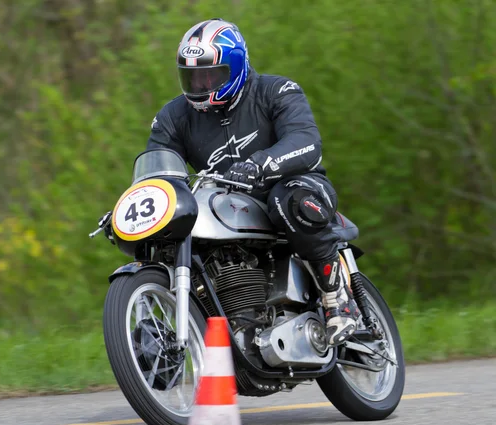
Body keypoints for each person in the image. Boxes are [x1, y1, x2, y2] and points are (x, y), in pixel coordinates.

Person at [104, 18, 360, 346]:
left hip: (296, 187)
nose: (200, 84)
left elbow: (306, 141)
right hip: (228, 205)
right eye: (192, 76)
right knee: (172, 235)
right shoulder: (174, 116)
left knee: (288, 199)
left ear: (235, 67)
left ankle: (336, 297)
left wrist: (259, 164)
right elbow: (158, 169)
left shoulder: (276, 91)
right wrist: (135, 205)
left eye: (210, 74)